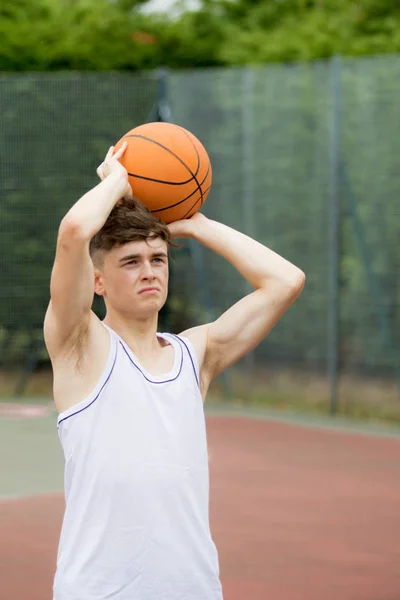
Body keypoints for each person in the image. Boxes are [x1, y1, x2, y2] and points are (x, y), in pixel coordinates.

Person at [44, 142, 305, 600]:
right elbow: (74, 231)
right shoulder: (80, 345)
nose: (149, 272)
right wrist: (117, 184)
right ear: (98, 280)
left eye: (158, 259)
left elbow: (286, 281)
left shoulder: (195, 355)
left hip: (194, 589)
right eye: (130, 262)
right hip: (99, 591)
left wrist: (198, 225)